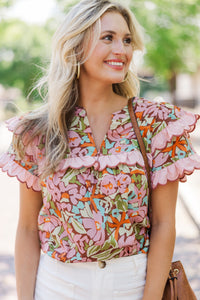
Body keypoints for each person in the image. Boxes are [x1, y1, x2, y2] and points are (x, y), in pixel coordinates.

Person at [0, 0, 200, 299]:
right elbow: (28, 228)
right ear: (76, 45)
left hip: (132, 286)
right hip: (55, 287)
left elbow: (163, 224)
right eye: (108, 37)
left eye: (127, 40)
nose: (122, 49)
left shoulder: (156, 124)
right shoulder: (37, 131)